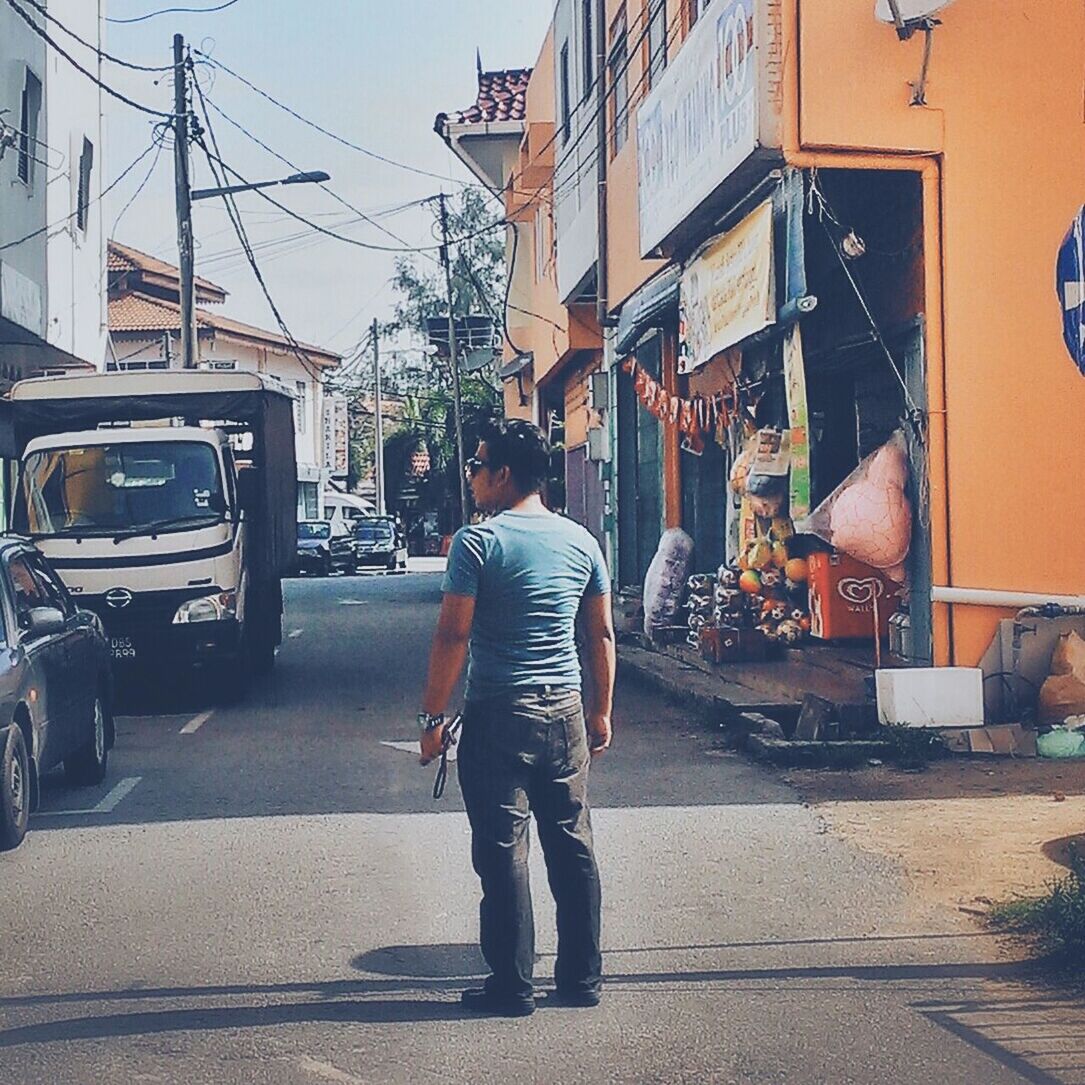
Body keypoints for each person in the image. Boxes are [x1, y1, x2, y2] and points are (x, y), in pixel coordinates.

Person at [418, 418, 616, 1018]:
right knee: (571, 843)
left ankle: (512, 986)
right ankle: (581, 980)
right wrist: (601, 710)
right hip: (563, 712)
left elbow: (453, 635)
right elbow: (601, 633)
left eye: (477, 466)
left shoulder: (477, 544)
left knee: (503, 849)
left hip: (498, 714)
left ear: (503, 474)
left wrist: (432, 718)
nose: (472, 477)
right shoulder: (582, 540)